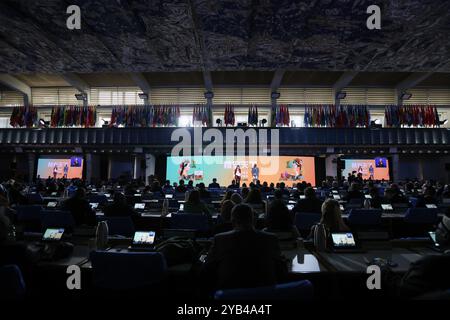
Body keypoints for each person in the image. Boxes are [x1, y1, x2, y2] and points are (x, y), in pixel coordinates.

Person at [202, 204, 287, 291]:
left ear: (233, 221)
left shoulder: (220, 239)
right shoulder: (271, 239)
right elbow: (280, 269)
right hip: (265, 293)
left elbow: (207, 268)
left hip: (228, 293)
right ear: (253, 220)